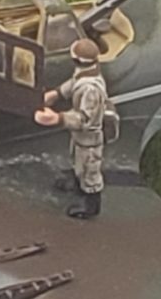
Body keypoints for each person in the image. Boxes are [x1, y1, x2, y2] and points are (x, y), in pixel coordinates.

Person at [33, 35, 114, 219]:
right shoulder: (85, 74)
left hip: (89, 138)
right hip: (79, 137)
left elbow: (86, 119)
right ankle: (77, 184)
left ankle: (91, 204)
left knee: (89, 170)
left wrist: (58, 118)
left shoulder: (91, 89)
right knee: (77, 162)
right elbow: (73, 84)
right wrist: (56, 94)